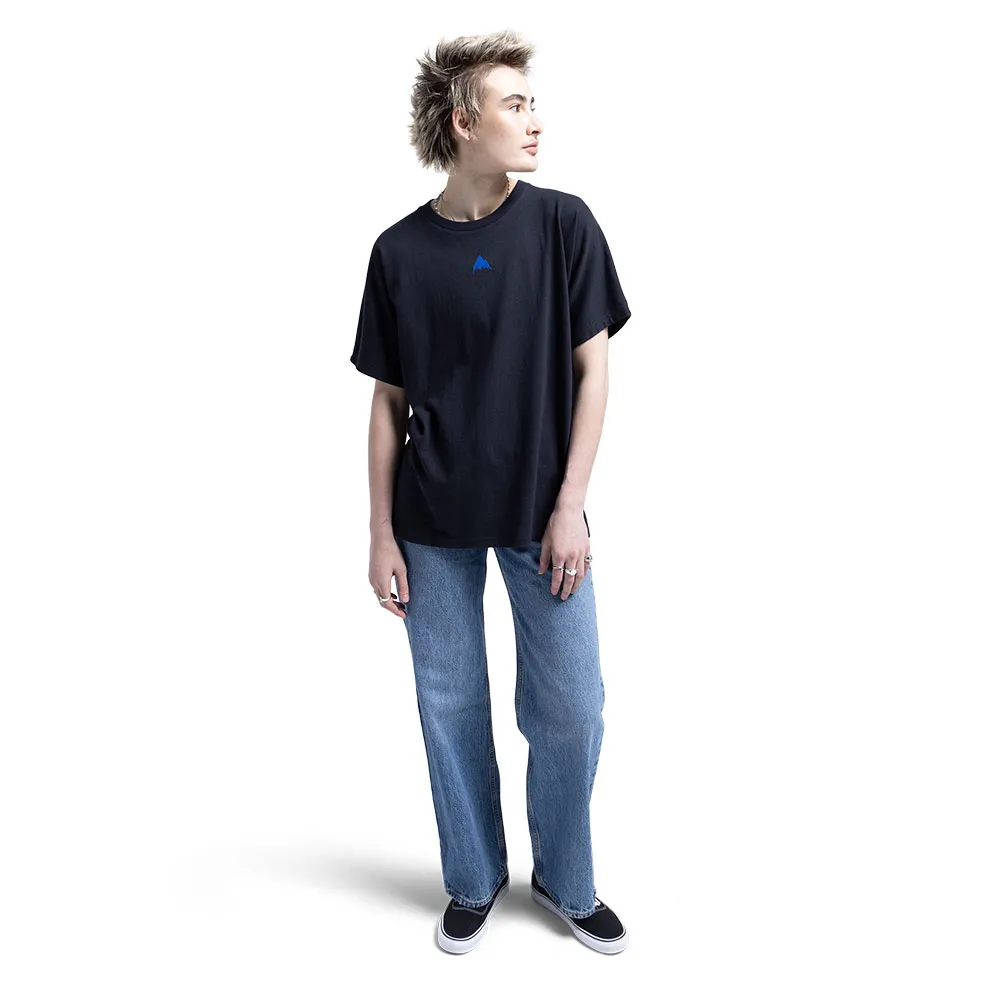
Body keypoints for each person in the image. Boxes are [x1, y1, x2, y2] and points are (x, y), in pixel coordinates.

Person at [350, 29, 631, 955]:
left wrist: (570, 505)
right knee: (450, 707)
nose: (535, 120)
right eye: (515, 105)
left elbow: (593, 372)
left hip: (543, 515)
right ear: (464, 122)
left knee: (573, 706)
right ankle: (472, 880)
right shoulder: (398, 252)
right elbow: (388, 403)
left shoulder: (563, 226)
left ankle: (566, 879)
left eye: (532, 103)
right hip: (431, 522)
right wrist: (380, 532)